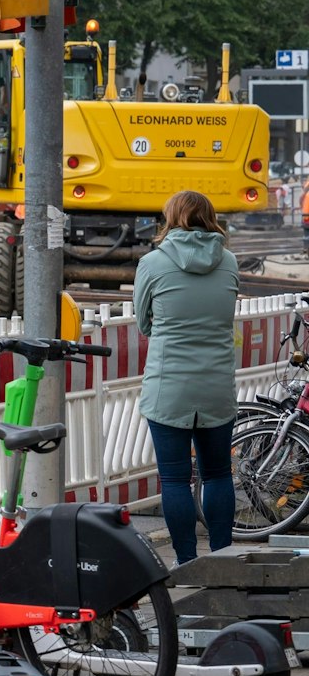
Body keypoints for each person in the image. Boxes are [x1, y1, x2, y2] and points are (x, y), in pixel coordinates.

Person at [134, 189, 240, 564]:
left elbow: (144, 322)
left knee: (176, 480)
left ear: (171, 218)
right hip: (216, 386)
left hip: (169, 388)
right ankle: (223, 559)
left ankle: (186, 563)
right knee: (218, 475)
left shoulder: (152, 263)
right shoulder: (228, 262)